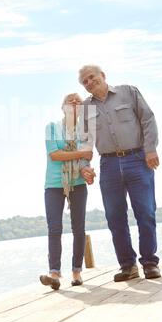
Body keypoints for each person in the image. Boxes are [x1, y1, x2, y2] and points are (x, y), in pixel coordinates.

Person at [78, 65, 161, 281]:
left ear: (103, 76)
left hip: (138, 159)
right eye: (84, 81)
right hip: (109, 164)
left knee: (146, 212)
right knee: (115, 217)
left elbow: (148, 119)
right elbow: (84, 140)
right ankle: (128, 266)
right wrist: (84, 165)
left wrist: (150, 149)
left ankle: (150, 262)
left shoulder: (128, 92)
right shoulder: (86, 109)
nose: (89, 82)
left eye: (91, 77)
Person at [40, 93, 96, 290]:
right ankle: (54, 273)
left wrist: (87, 171)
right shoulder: (52, 127)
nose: (74, 103)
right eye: (69, 100)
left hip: (78, 184)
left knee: (78, 228)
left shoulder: (85, 132)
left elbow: (86, 159)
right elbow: (54, 154)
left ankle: (76, 272)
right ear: (62, 107)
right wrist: (81, 153)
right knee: (54, 229)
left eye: (78, 101)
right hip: (54, 185)